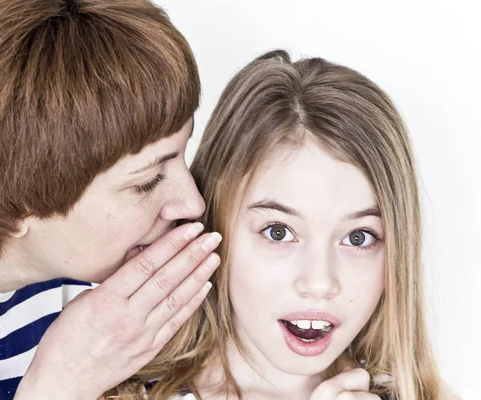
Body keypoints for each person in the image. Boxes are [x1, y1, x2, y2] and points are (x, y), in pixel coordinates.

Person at [0, 0, 222, 399]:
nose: (193, 203)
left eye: (183, 151)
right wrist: (63, 382)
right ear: (11, 204)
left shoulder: (82, 262)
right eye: (147, 181)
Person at [108, 50, 456, 399]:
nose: (319, 283)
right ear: (214, 224)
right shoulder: (96, 386)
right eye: (279, 232)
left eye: (358, 237)